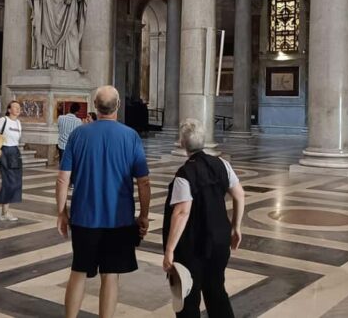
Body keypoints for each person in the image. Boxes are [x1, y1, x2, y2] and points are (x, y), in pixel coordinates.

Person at [56, 85, 151, 318]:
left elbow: (62, 178)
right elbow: (143, 182)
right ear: (117, 106)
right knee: (111, 275)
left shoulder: (78, 134)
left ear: (95, 106)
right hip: (119, 219)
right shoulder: (130, 136)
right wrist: (144, 215)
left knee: (78, 271)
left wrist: (61, 212)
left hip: (84, 217)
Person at [162, 119, 245, 318]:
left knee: (188, 296)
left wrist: (170, 250)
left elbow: (182, 213)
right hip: (219, 239)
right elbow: (239, 194)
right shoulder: (222, 164)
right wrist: (236, 227)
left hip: (192, 244)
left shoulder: (185, 174)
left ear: (182, 144)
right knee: (216, 290)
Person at [0, 101, 24, 222]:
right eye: (15, 107)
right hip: (5, 151)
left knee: (16, 181)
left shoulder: (18, 123)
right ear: (9, 109)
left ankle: (2, 209)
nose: (18, 109)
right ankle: (3, 210)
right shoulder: (3, 120)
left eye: (19, 107)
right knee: (10, 181)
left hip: (15, 151)